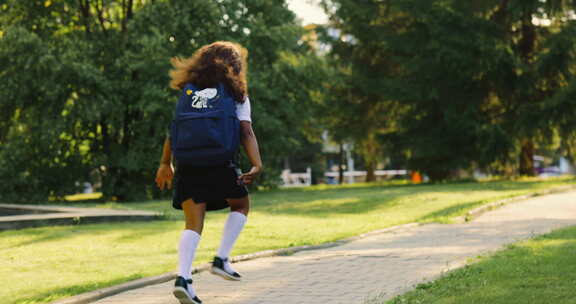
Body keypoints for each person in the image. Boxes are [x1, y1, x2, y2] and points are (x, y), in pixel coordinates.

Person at [155, 41, 263, 304]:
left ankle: (183, 278)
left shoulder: (188, 92)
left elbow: (175, 129)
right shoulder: (235, 94)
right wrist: (257, 164)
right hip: (220, 161)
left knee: (193, 223)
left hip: (188, 164)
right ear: (234, 66)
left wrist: (164, 163)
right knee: (240, 204)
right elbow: (246, 130)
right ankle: (221, 258)